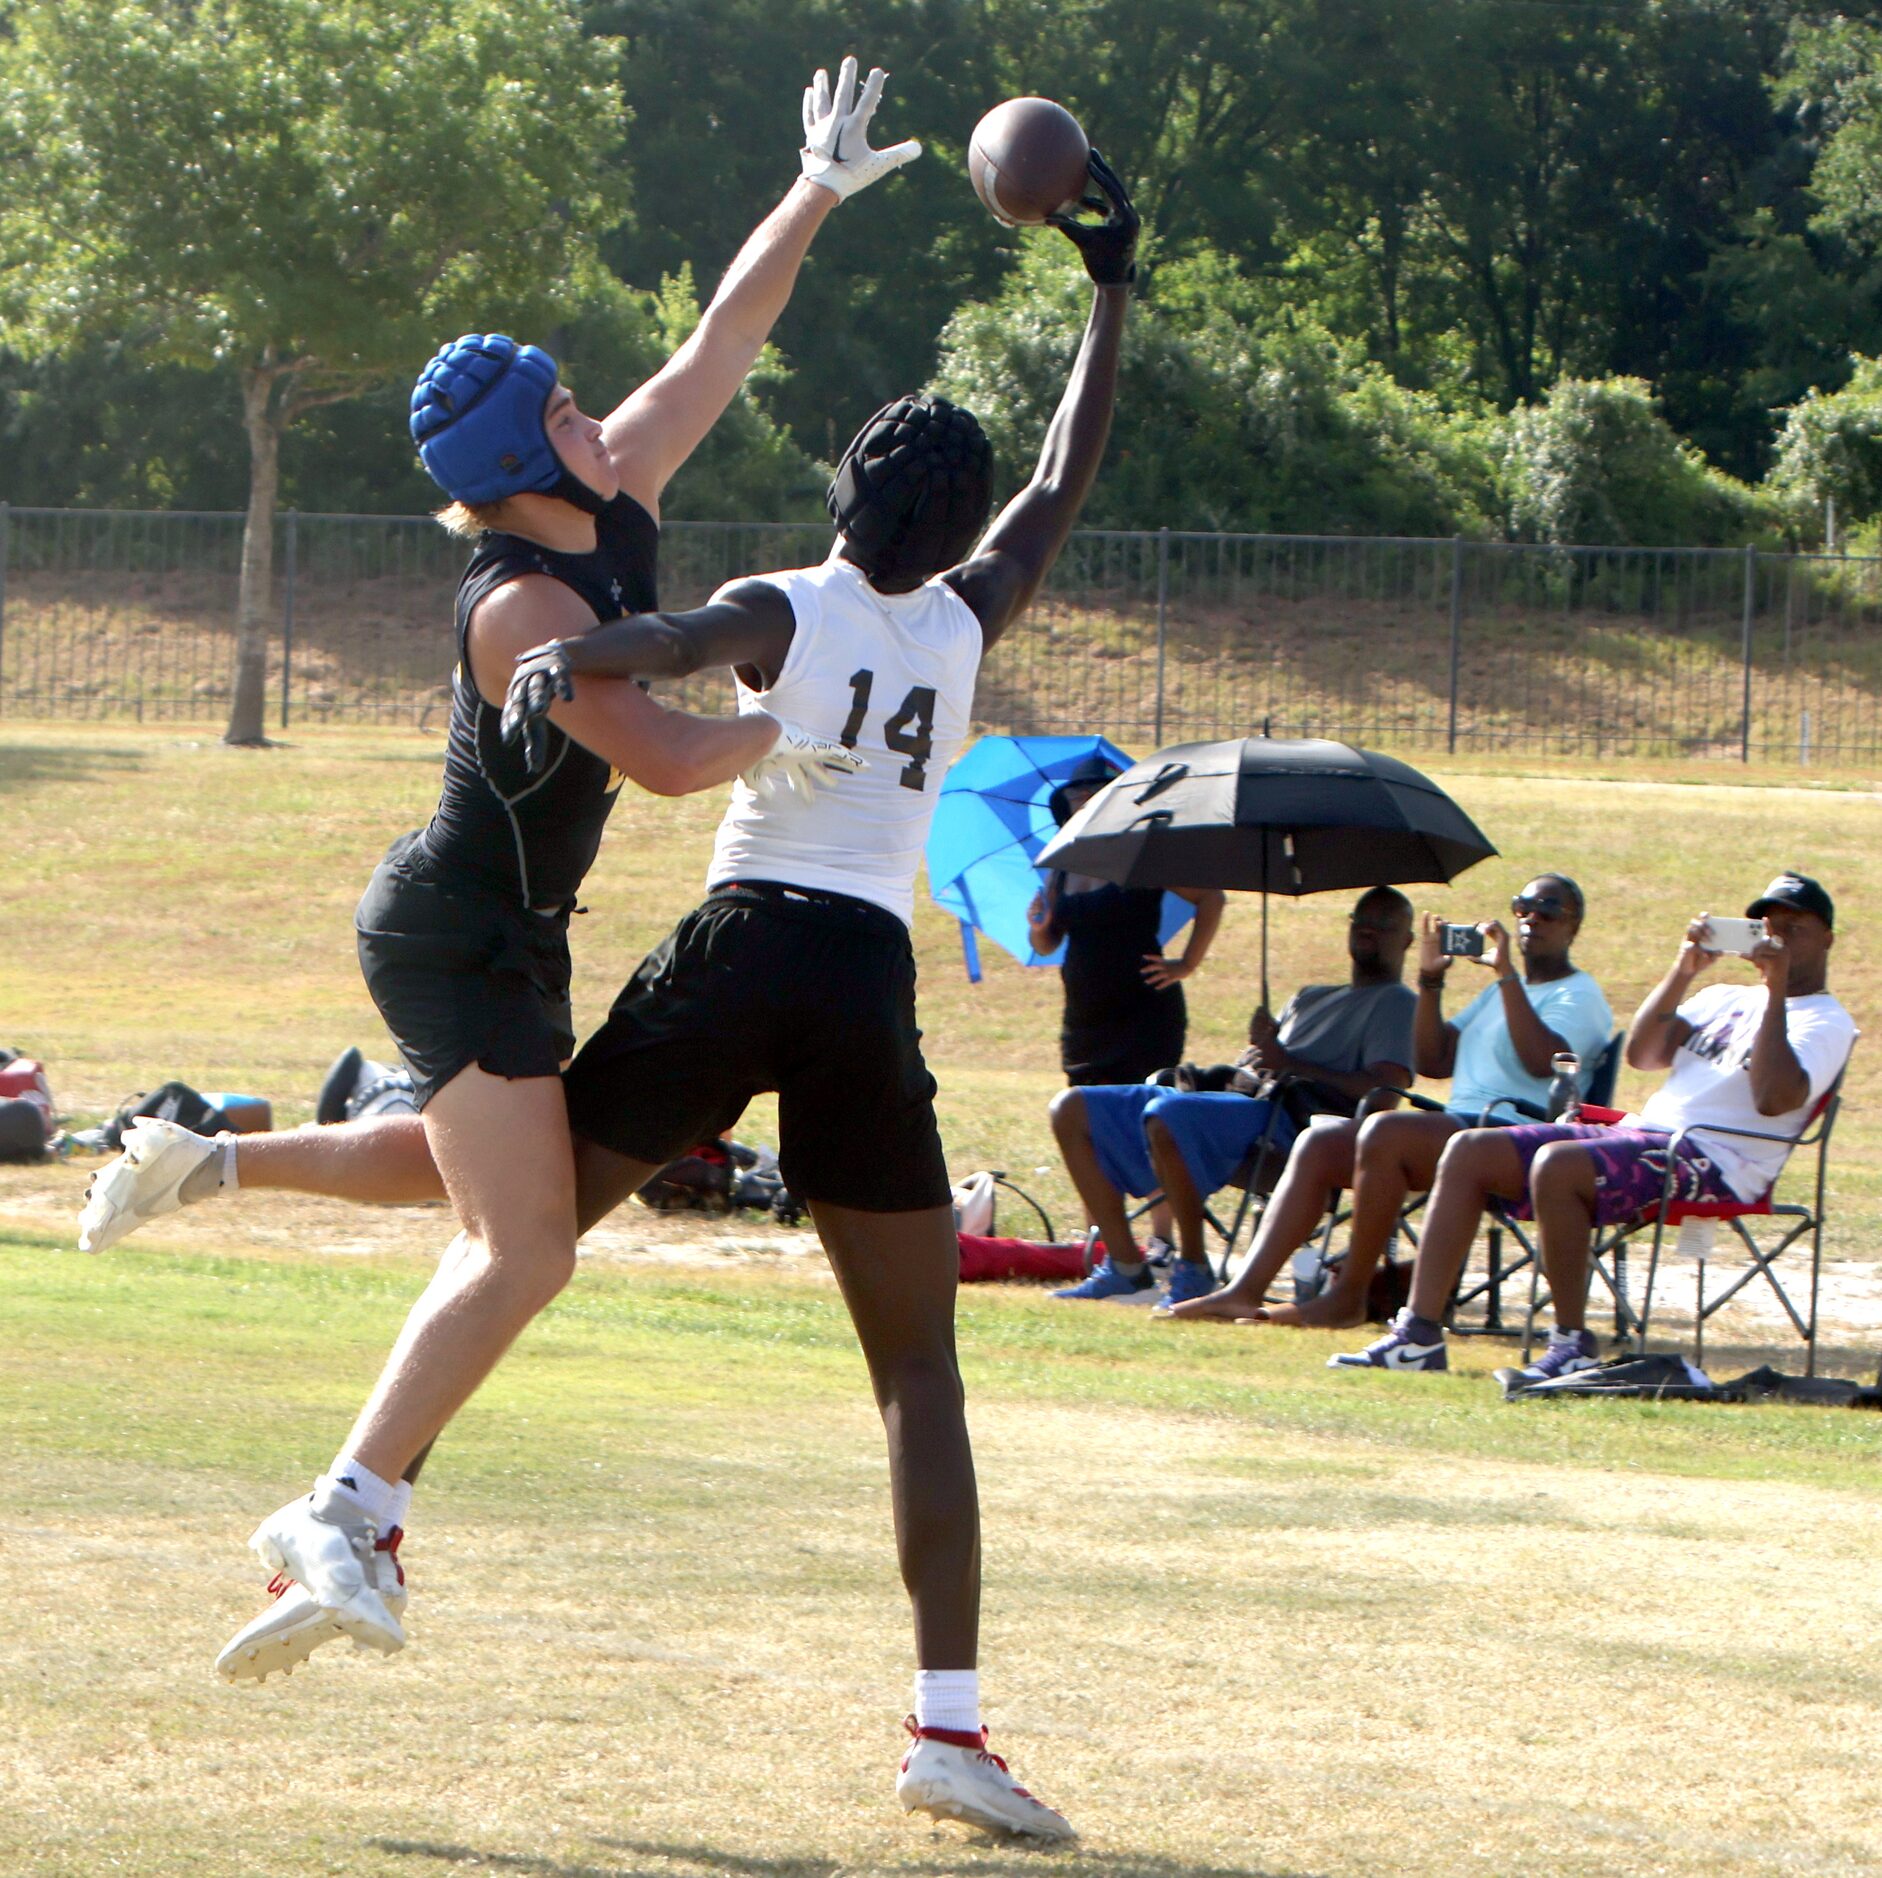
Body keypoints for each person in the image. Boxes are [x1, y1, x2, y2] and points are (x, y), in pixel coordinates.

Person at [242, 147, 1137, 1838]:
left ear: (843, 492)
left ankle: (350, 1502)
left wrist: (583, 656)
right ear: (952, 534)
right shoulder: (967, 615)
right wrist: (1107, 286)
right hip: (863, 984)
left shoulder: (777, 603)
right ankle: (946, 1726)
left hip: (731, 961)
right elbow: (1055, 486)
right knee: (914, 1374)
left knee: (511, 1237)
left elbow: (670, 650)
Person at [76, 54, 908, 1660]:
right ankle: (346, 1505)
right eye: (566, 408)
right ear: (522, 468)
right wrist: (800, 727)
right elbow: (665, 759)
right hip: (451, 928)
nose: (601, 410)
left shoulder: (612, 495)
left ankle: (209, 1161)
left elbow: (723, 336)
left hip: (509, 924)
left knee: (510, 1187)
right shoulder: (520, 607)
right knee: (526, 1240)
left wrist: (813, 185)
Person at [1336, 871, 1857, 1379]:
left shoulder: (1826, 1020)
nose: (1779, 936)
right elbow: (1642, 1054)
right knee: (1469, 1149)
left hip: (1718, 1160)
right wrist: (1684, 970)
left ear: (1828, 939)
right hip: (1645, 1133)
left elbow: (1772, 1099)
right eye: (1769, 926)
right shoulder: (1721, 998)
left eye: (1795, 927)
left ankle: (1572, 1345)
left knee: (1559, 1165)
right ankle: (1418, 1337)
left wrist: (1777, 990)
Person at [1163, 873, 1612, 1335]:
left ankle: (1347, 1297)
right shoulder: (1496, 994)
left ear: (1573, 926)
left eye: (1548, 911)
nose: (1531, 919)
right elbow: (1434, 1060)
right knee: (1323, 1141)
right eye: (1523, 907)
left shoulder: (1579, 995)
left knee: (1384, 1130)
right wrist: (1431, 981)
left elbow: (1543, 1062)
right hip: (1462, 1130)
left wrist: (1506, 976)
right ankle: (1245, 1288)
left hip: (1523, 1134)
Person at [1049, 886, 1416, 1308]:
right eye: (1361, 920)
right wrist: (1258, 1049)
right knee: (1073, 1108)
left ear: (1406, 940)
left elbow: (1384, 1094)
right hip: (1240, 1096)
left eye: (1385, 923)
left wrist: (1290, 1063)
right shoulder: (1311, 995)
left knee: (1169, 1114)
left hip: (1294, 1123)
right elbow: (1261, 1064)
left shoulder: (1398, 1003)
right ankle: (1126, 1267)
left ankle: (1193, 1267)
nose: (1369, 929)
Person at [1028, 752, 1225, 1086]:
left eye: (1096, 793)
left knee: (1141, 1115)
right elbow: (1047, 946)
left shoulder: (1143, 854)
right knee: (1084, 1115)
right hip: (1085, 1019)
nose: (1084, 801)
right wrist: (1038, 926)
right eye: (1077, 796)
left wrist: (1187, 964)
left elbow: (1211, 898)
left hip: (1144, 1015)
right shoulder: (1060, 866)